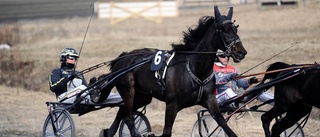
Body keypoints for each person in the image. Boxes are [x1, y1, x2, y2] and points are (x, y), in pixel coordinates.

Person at [49, 47, 121, 104]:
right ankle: (96, 97)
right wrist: (69, 77)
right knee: (81, 88)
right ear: (63, 58)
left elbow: (86, 89)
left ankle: (120, 99)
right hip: (64, 99)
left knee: (118, 97)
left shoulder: (78, 74)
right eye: (71, 58)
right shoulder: (56, 71)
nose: (74, 60)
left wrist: (91, 84)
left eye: (75, 58)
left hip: (80, 97)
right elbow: (53, 87)